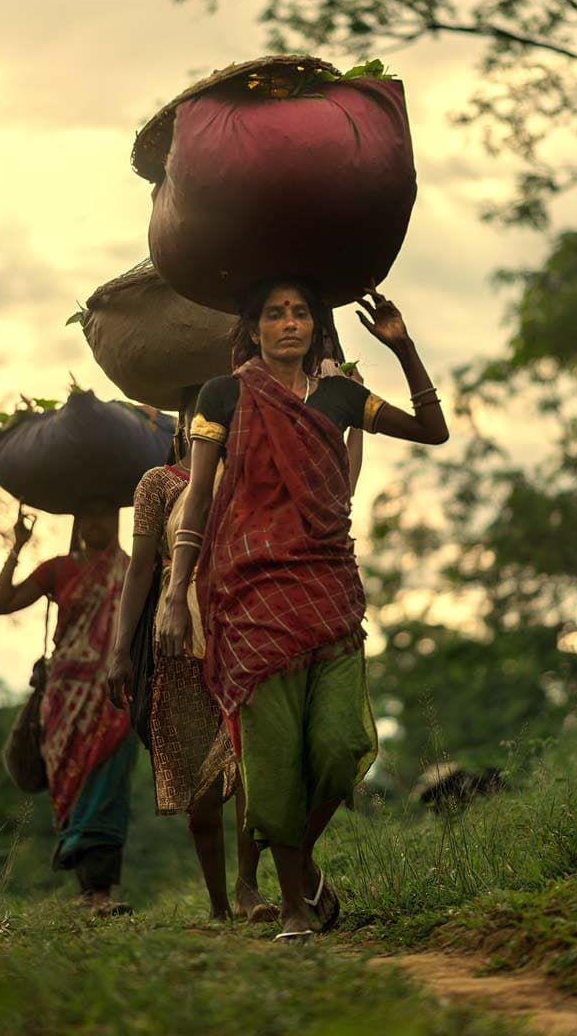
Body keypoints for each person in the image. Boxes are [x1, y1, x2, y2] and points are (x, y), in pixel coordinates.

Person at [158, 280, 449, 940]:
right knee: (274, 758)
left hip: (329, 593)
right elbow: (199, 498)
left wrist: (404, 349)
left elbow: (433, 431)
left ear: (317, 327)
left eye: (300, 313)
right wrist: (177, 594)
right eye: (274, 313)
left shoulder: (342, 396)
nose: (288, 323)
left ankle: (302, 860)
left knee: (341, 745)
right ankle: (293, 906)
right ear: (253, 328)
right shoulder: (224, 396)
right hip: (251, 596)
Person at [106, 391, 278, 923]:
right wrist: (119, 650)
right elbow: (140, 571)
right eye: (194, 415)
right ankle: (219, 904)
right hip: (179, 637)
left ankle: (248, 888)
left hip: (242, 629)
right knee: (202, 781)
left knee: (249, 760)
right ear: (181, 427)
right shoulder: (157, 484)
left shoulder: (247, 475)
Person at [0, 499, 135, 916]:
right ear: (76, 520)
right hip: (64, 703)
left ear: (117, 517)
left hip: (113, 697)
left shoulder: (133, 570)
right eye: (87, 513)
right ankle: (90, 894)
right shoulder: (58, 568)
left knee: (108, 792)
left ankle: (101, 893)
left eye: (103, 512)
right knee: (74, 791)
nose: (95, 520)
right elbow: (1, 603)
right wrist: (17, 546)